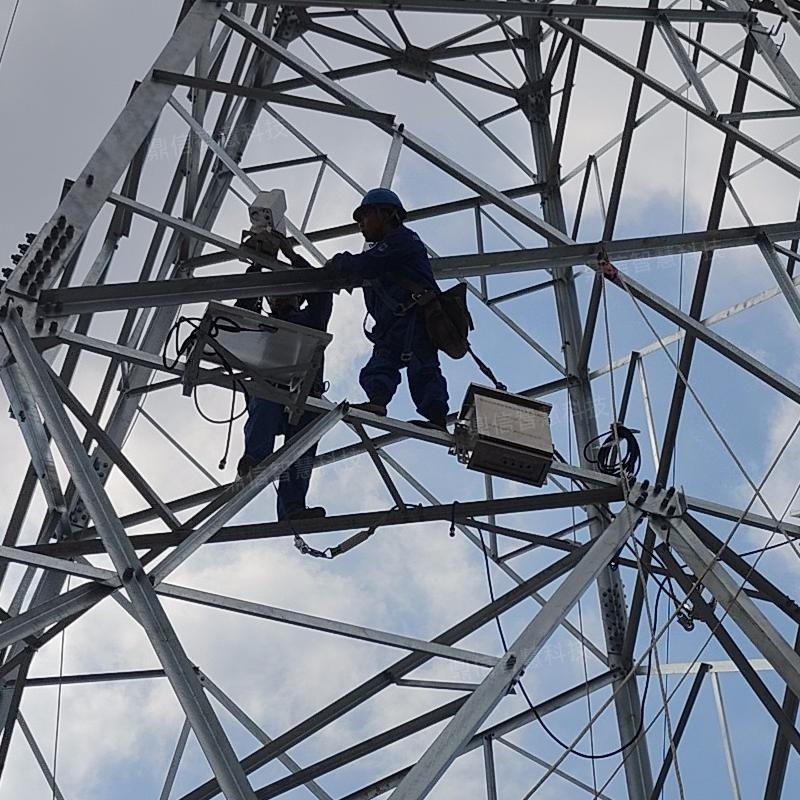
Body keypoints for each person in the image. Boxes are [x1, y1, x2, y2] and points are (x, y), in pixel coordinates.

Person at [323, 188, 449, 430]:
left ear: (386, 214)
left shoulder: (403, 240)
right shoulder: (385, 249)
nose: (361, 224)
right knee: (380, 365)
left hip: (415, 320)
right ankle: (377, 402)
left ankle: (437, 417)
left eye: (365, 216)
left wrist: (339, 263)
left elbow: (368, 264)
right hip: (392, 325)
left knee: (423, 367)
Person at [236, 231, 333, 521]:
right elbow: (240, 313)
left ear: (298, 296)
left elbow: (322, 292)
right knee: (266, 400)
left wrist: (292, 257)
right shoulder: (261, 324)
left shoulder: (310, 319)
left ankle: (293, 508)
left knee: (301, 450)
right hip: (271, 391)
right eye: (275, 293)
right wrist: (257, 265)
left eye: (286, 290)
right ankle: (255, 459)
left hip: (306, 395)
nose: (279, 297)